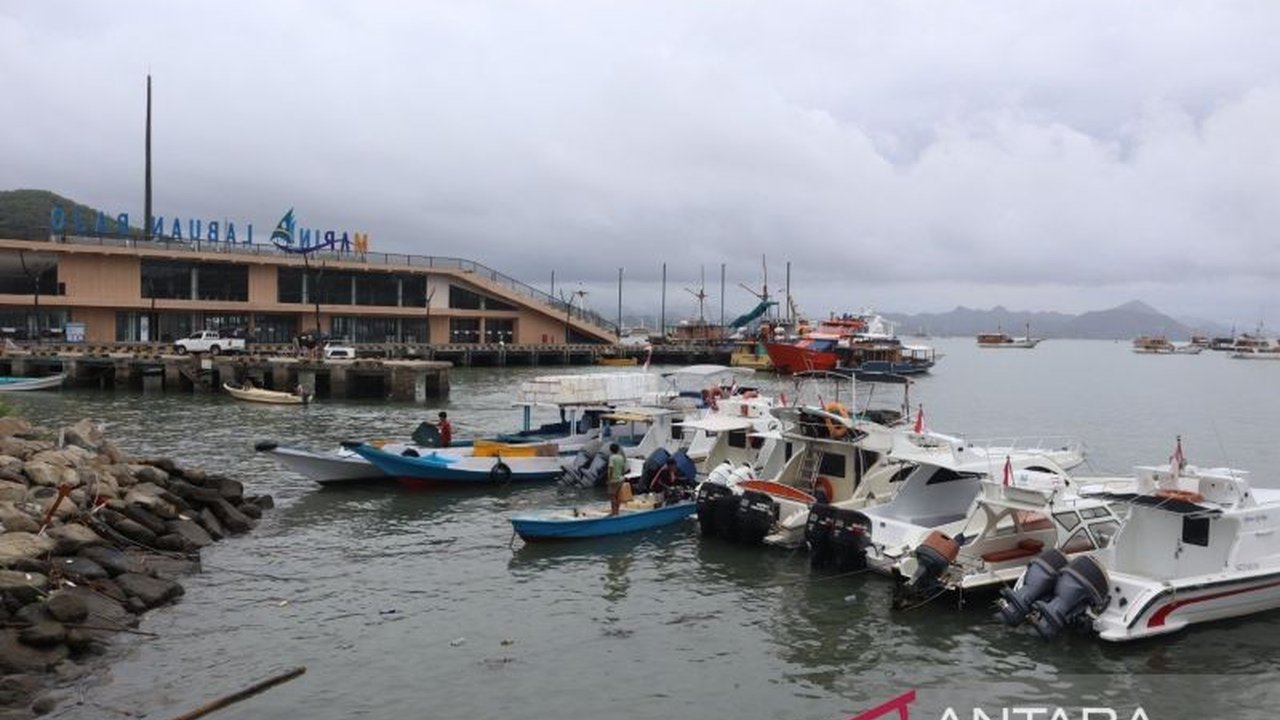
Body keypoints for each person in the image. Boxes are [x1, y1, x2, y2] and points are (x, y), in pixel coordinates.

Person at [607, 442, 627, 516]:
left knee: (612, 496)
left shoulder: (612, 458)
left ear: (610, 450)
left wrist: (609, 479)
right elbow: (623, 469)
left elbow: (611, 468)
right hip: (621, 479)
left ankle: (613, 512)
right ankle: (617, 511)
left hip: (614, 479)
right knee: (618, 496)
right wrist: (622, 476)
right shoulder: (621, 457)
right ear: (618, 449)